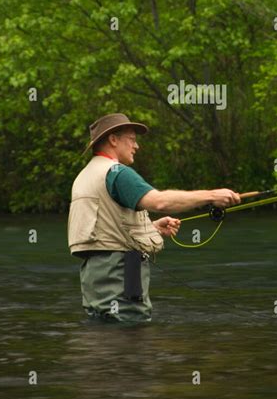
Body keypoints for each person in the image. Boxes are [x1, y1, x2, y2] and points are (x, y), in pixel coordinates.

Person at [67, 113, 241, 324]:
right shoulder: (117, 173)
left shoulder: (83, 177)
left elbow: (104, 230)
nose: (136, 146)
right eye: (131, 139)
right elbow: (160, 202)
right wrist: (212, 196)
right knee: (131, 332)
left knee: (102, 334)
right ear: (113, 139)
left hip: (94, 280)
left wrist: (151, 228)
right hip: (123, 274)